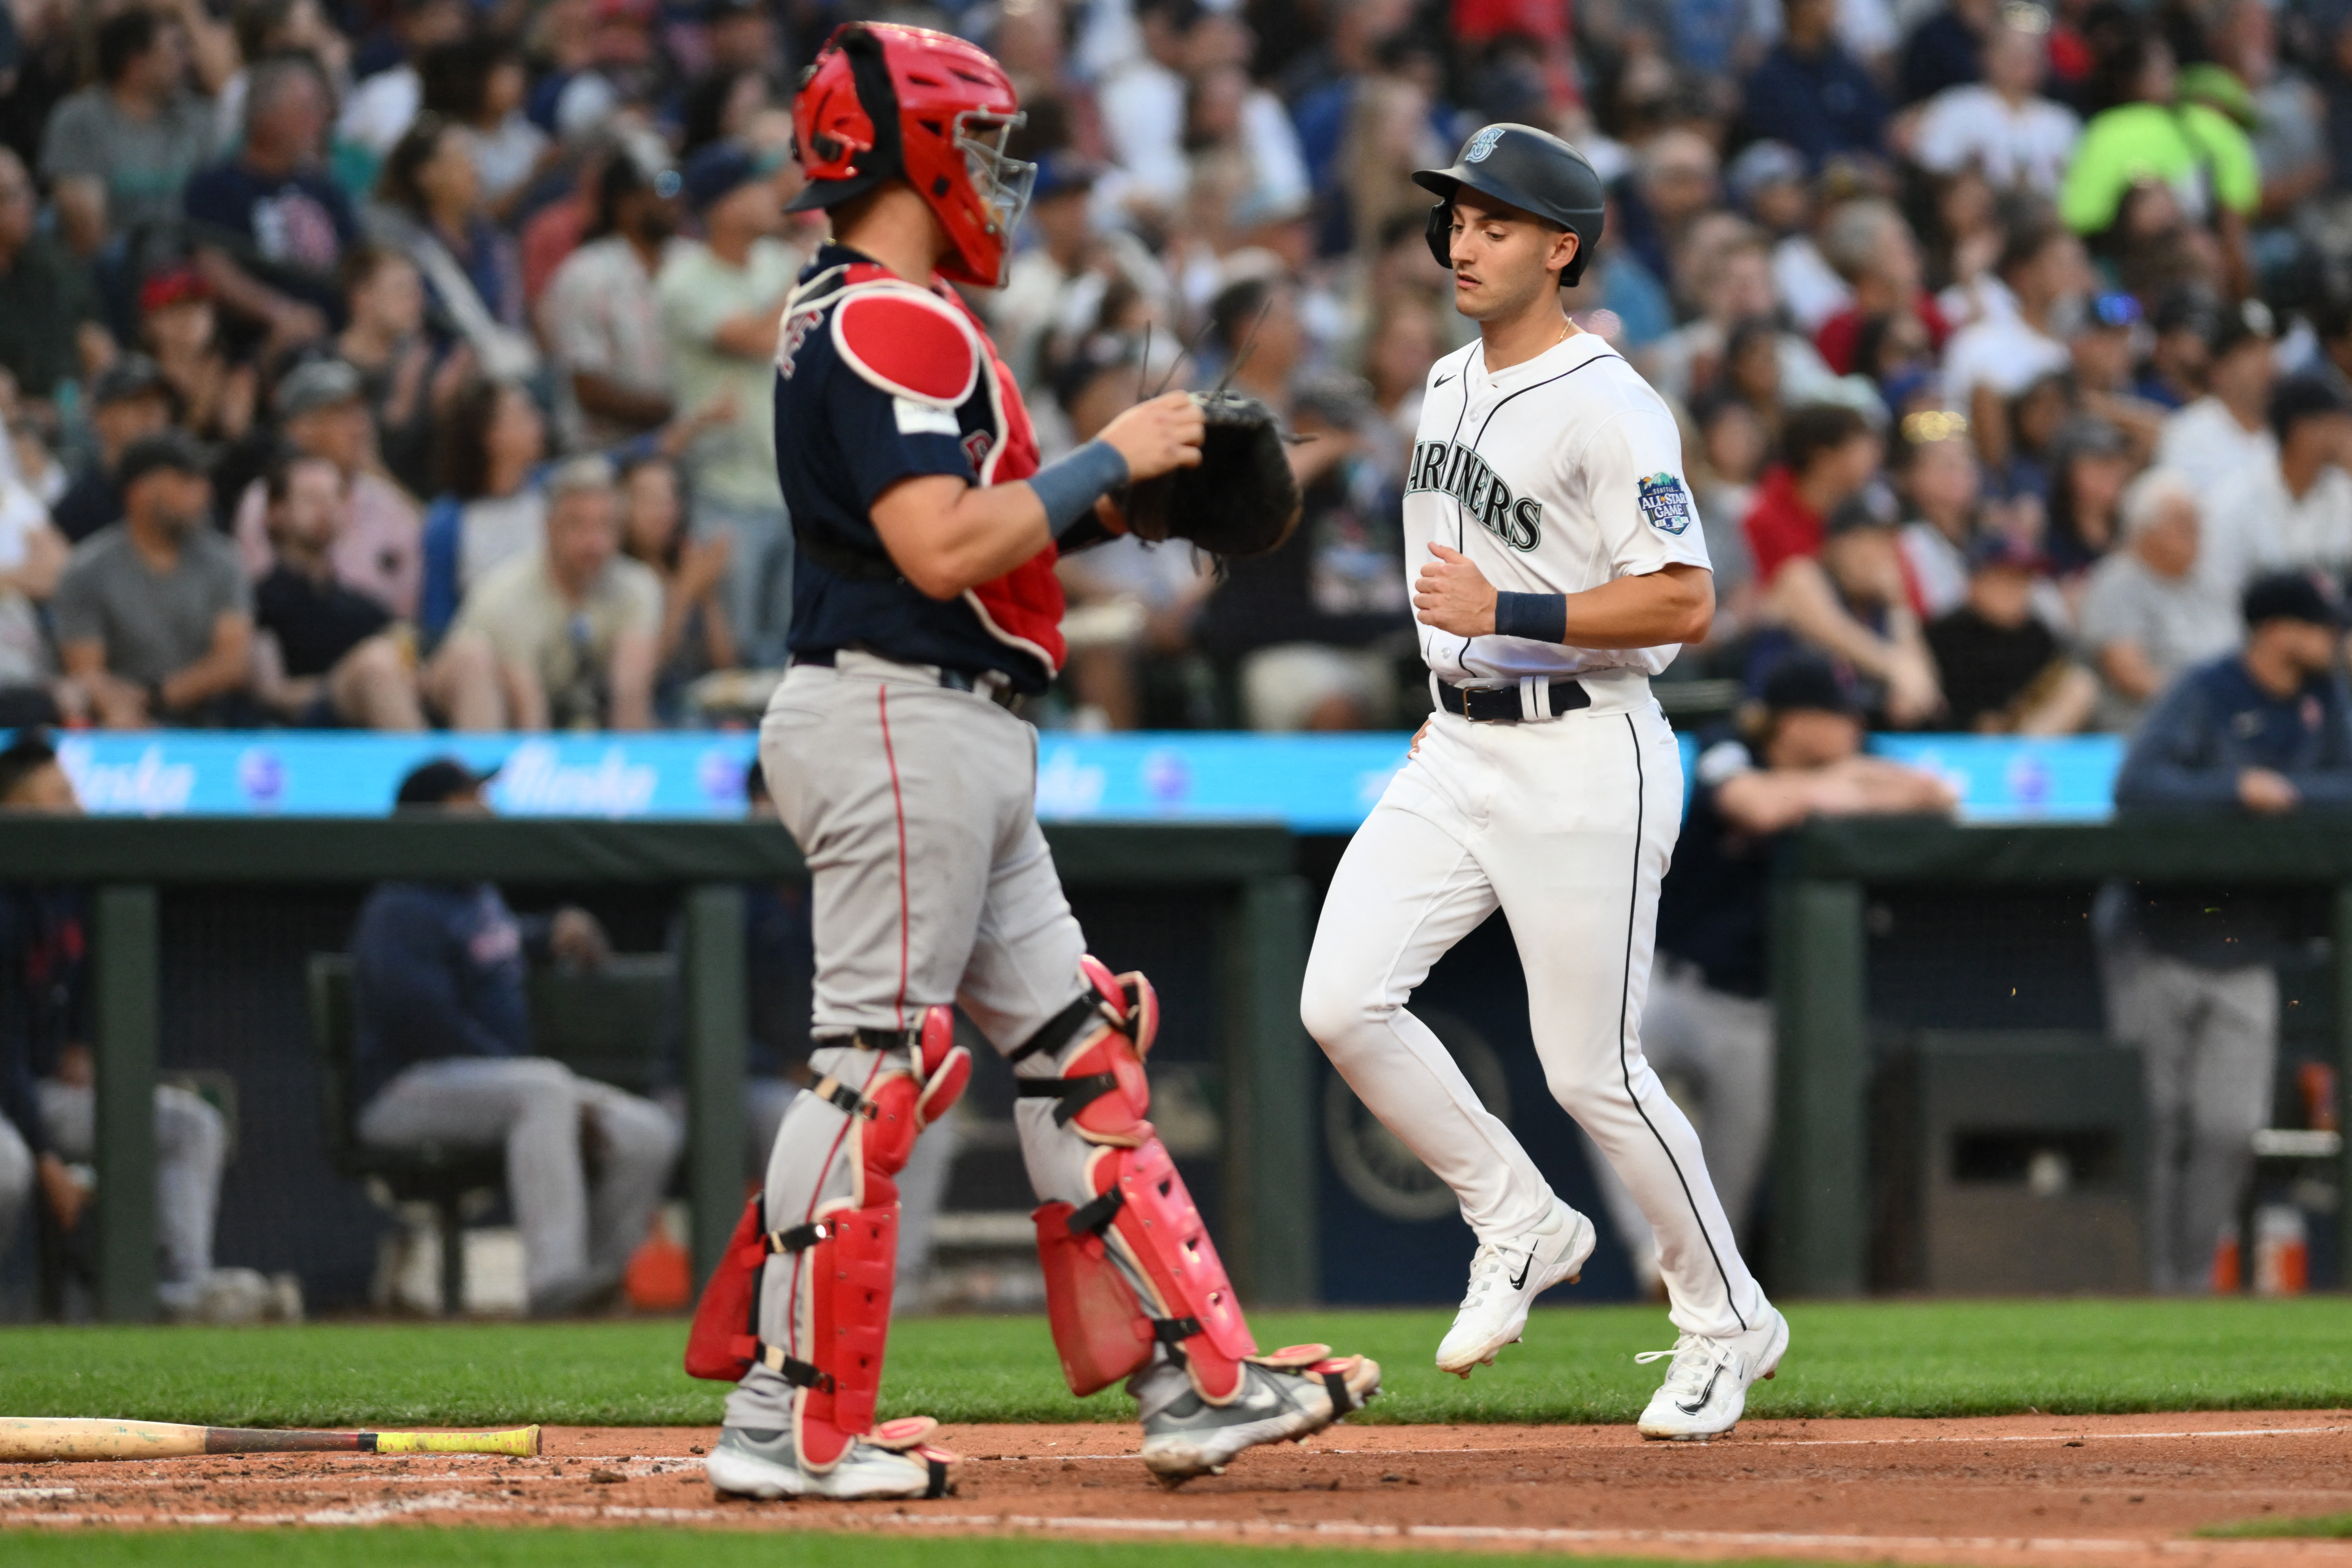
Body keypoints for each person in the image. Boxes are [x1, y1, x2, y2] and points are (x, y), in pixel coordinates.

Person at [705, 23, 1377, 1503]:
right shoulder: (896, 318)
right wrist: (1107, 455)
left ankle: (1198, 1381)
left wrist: (1108, 507)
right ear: (910, 151)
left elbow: (964, 535)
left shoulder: (871, 310)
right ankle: (792, 1423)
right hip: (901, 715)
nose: (1004, 180)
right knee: (872, 1070)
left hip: (950, 718)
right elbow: (936, 544)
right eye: (987, 147)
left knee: (1078, 1052)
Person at [1300, 121, 1787, 1443]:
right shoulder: (1449, 381)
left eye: (1496, 221)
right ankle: (1518, 1216)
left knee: (1591, 1070)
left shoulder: (1613, 399)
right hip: (1457, 742)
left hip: (1587, 744)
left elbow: (1685, 597)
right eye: (1457, 216)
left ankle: (1723, 1316)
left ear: (1559, 246)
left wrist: (1510, 603)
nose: (1463, 238)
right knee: (1341, 999)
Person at [1592, 658, 1954, 1293]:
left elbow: (1937, 792)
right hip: (1673, 987)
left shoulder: (1854, 752)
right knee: (1598, 1077)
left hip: (1756, 1011)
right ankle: (1650, 1253)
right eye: (1839, 717)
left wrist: (1834, 779)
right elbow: (1753, 806)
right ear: (1796, 723)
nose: (1854, 727)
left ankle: (1688, 1285)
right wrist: (1849, 785)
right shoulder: (1727, 742)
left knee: (1725, 1187)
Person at [352, 757, 680, 1316]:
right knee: (544, 1086)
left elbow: (495, 948)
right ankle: (556, 1280)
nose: (486, 807)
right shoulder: (400, 903)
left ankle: (600, 1293)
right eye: (470, 797)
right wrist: (533, 1084)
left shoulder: (477, 892)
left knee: (646, 1131)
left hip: (499, 1084)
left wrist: (550, 931)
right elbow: (425, 1024)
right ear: (430, 815)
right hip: (403, 1090)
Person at [2103, 573, 2352, 1292]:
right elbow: (2137, 784)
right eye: (2317, 625)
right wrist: (2233, 789)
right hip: (2157, 934)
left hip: (2248, 941)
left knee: (2227, 1127)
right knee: (2155, 1124)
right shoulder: (2205, 690)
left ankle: (2181, 1289)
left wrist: (2287, 791)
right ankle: (2143, 1286)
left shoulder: (2322, 699)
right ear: (2275, 630)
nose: (2331, 639)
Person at [0, 731, 285, 1324]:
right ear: (15, 813)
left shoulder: (70, 888)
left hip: (37, 1092)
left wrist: (79, 1041)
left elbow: (79, 990)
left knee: (190, 1124)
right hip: (10, 1099)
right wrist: (50, 1157)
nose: (77, 808)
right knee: (10, 1165)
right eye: (59, 796)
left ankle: (183, 1292)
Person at [656, 141, 799, 668]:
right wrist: (809, 271)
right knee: (733, 651)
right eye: (755, 187)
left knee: (795, 648)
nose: (770, 195)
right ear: (723, 206)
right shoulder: (685, 280)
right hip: (725, 492)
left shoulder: (777, 262)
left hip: (791, 485)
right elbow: (762, 339)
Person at [51, 432, 253, 730]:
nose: (204, 492)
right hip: (118, 721)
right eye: (186, 481)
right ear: (140, 492)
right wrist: (127, 711)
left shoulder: (223, 560)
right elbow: (86, 672)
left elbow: (233, 662)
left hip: (213, 717)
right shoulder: (87, 569)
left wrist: (155, 696)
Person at [445, 455, 659, 730]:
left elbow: (631, 695)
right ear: (550, 527)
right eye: (578, 525)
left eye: (606, 525)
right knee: (473, 658)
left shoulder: (640, 588)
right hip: (497, 722)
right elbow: (530, 715)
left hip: (587, 722)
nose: (595, 543)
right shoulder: (503, 595)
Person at [181, 52, 357, 357]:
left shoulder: (325, 187)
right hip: (258, 341)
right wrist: (279, 312)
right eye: (306, 109)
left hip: (339, 337)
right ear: (265, 116)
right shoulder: (216, 186)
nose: (319, 121)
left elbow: (360, 261)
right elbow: (212, 266)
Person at [231, 358, 424, 619]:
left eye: (361, 410)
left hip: (385, 644)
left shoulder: (389, 504)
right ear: (299, 429)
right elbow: (262, 606)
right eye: (341, 413)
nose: (360, 425)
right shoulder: (266, 501)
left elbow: (411, 611)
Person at [250, 451, 426, 730]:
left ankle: (484, 768)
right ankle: (430, 772)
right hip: (309, 725)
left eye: (334, 499)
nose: (326, 510)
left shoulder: (363, 605)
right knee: (376, 666)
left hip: (382, 704)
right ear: (277, 513)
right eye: (311, 500)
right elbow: (271, 692)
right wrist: (355, 680)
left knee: (470, 656)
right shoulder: (261, 602)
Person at [37, 7, 221, 257]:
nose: (186, 60)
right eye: (175, 49)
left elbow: (220, 205)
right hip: (116, 274)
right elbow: (88, 232)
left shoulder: (195, 116)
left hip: (192, 270)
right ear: (135, 62)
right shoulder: (80, 120)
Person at [2078, 468, 2241, 733]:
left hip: (2223, 721)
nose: (2197, 531)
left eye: (2198, 522)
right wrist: (2207, 700)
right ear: (2146, 530)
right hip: (2152, 727)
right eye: (2183, 523)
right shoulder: (2115, 584)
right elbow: (2128, 674)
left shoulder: (2212, 583)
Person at [542, 147, 682, 452]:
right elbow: (589, 391)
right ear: (626, 203)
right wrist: (683, 411)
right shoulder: (586, 275)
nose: (676, 199)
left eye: (678, 184)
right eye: (665, 186)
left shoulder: (690, 260)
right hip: (609, 453)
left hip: (690, 447)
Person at [1922, 533, 2094, 733]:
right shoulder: (1945, 634)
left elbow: (2050, 684)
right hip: (1954, 745)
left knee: (2080, 685)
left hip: (2022, 740)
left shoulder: (2037, 635)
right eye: (2008, 579)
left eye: (2025, 581)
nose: (2019, 591)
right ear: (1976, 582)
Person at [1909, 1, 2079, 195]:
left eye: (2033, 54)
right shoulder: (1956, 107)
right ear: (1987, 55)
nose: (2025, 62)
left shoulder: (2062, 121)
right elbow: (1934, 175)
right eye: (2015, 54)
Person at [2201, 376, 2352, 591]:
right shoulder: (2233, 501)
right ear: (2301, 430)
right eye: (2335, 423)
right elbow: (2220, 592)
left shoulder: (2344, 491)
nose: (2346, 433)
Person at [0, 147, 112, 408]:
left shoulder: (48, 261)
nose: (27, 203)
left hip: (77, 409)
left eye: (26, 189)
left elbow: (94, 339)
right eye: (9, 196)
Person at [2155, 299, 2277, 504]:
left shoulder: (2291, 429)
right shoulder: (2187, 435)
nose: (2266, 363)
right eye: (2250, 351)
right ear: (2218, 369)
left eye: (2269, 348)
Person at [50, 357, 173, 545]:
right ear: (101, 418)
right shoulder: (76, 508)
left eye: (160, 403)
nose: (153, 413)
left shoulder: (187, 489)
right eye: (138, 402)